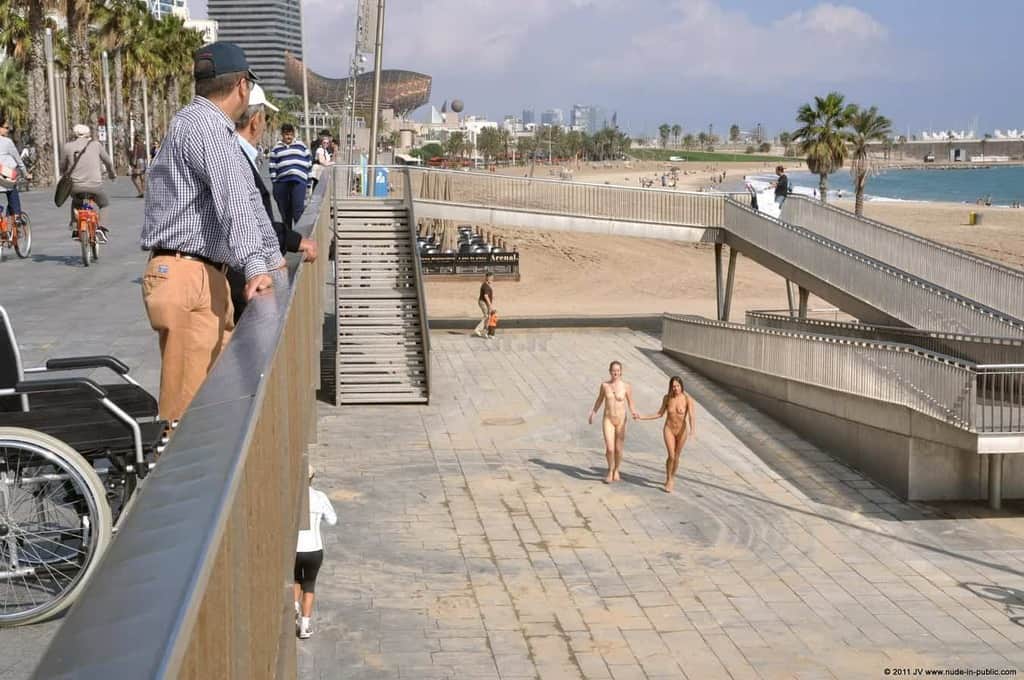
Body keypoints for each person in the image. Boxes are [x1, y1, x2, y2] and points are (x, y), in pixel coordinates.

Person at [139, 41, 283, 425]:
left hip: (202, 274)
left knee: (218, 403)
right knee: (187, 414)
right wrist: (257, 266)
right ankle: (176, 482)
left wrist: (273, 259)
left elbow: (249, 199)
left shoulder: (204, 126)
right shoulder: (206, 127)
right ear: (242, 86)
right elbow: (234, 200)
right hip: (189, 275)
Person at [227, 82, 318, 322]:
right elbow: (250, 221)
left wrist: (292, 240)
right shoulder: (234, 157)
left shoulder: (235, 153)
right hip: (238, 277)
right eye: (265, 117)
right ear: (256, 120)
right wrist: (291, 242)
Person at [294, 464, 337, 639]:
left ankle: (294, 604)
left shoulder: (293, 497)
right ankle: (305, 626)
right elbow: (332, 520)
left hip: (296, 548)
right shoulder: (320, 497)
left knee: (295, 578)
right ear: (312, 478)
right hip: (314, 549)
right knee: (309, 585)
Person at [636, 376, 696, 493]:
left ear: (681, 386)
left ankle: (672, 477)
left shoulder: (687, 399)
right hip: (669, 429)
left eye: (678, 386)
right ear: (670, 387)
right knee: (671, 456)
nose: (676, 388)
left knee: (677, 456)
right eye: (673, 386)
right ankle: (668, 478)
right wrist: (642, 417)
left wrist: (693, 431)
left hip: (682, 431)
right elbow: (659, 414)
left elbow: (691, 416)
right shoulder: (667, 398)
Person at [60, 123, 116, 240]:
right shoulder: (96, 145)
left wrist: (65, 173)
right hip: (95, 185)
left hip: (75, 186)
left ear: (74, 134)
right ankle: (101, 227)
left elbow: (62, 166)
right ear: (88, 134)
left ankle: (75, 227)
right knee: (104, 204)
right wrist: (111, 174)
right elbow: (108, 162)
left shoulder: (68, 146)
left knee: (75, 202)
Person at [588, 361, 639, 484]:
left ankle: (617, 469)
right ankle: (610, 470)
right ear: (610, 371)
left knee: (618, 449)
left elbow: (631, 403)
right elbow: (599, 400)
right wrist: (593, 412)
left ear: (621, 372)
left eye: (617, 370)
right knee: (610, 449)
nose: (615, 372)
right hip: (608, 419)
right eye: (613, 370)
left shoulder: (626, 386)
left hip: (621, 420)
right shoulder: (605, 385)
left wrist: (634, 412)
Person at [268, 123, 311, 232]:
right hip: (282, 182)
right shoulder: (276, 149)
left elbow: (309, 163)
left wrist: (309, 183)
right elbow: (272, 167)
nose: (289, 137)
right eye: (286, 134)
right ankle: (288, 240)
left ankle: (301, 236)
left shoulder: (301, 146)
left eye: (290, 134)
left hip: (299, 181)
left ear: (294, 134)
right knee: (285, 213)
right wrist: (274, 183)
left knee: (298, 211)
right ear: (282, 135)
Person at [0, 116, 30, 218]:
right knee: (13, 197)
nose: (8, 130)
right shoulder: (7, 142)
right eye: (6, 127)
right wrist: (26, 174)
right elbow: (19, 160)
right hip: (5, 178)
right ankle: (15, 217)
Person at [473, 271, 494, 338]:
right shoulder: (485, 285)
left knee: (488, 317)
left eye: (492, 277)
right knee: (486, 316)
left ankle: (485, 332)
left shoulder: (487, 285)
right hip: (483, 302)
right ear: (487, 277)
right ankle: (477, 329)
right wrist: (490, 305)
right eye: (491, 277)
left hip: (485, 302)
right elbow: (485, 296)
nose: (492, 279)